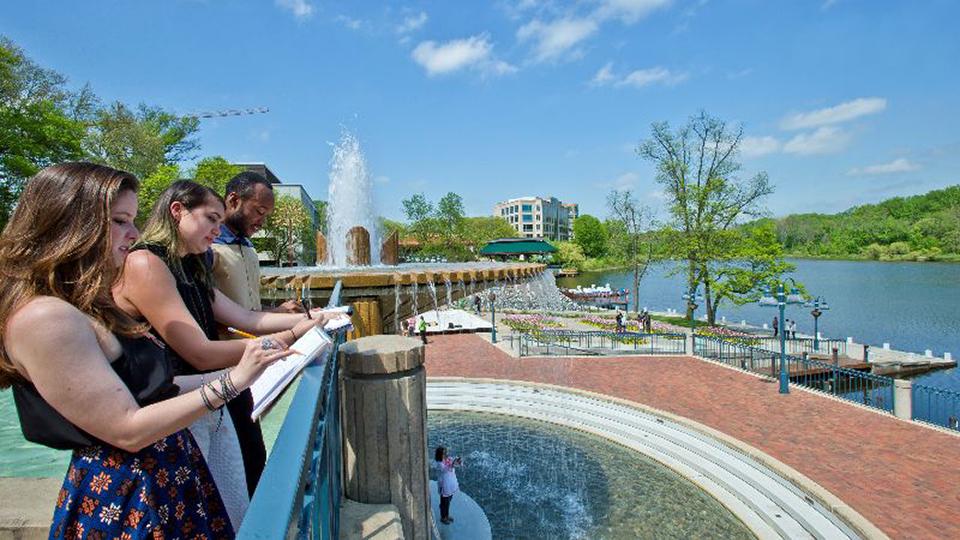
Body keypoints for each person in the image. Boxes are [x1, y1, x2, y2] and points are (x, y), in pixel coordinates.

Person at [0, 162, 293, 539]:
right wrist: (231, 381)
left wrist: (251, 370)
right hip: (124, 500)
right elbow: (127, 429)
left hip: (159, 484)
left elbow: (156, 390)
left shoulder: (84, 305)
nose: (133, 233)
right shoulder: (44, 317)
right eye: (120, 220)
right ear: (69, 223)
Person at [114, 180, 341, 526]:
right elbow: (200, 352)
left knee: (242, 485)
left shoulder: (190, 264)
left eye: (220, 221)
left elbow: (245, 317)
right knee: (192, 509)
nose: (218, 230)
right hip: (177, 405)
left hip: (214, 392)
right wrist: (288, 339)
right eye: (211, 219)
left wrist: (313, 319)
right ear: (178, 211)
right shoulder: (147, 263)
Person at [207, 171, 297, 497]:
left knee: (251, 453)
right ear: (234, 200)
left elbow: (245, 313)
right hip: (220, 368)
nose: (262, 220)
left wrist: (278, 314)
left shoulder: (245, 246)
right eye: (259, 211)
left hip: (246, 364)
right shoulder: (209, 250)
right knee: (242, 455)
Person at [434, 446, 462, 525]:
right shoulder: (439, 464)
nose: (446, 454)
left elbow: (455, 465)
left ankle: (446, 515)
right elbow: (445, 469)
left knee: (448, 500)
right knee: (445, 502)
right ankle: (443, 517)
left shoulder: (448, 458)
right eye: (444, 453)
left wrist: (458, 461)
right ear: (440, 455)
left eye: (446, 452)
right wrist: (453, 464)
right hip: (444, 485)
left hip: (450, 484)